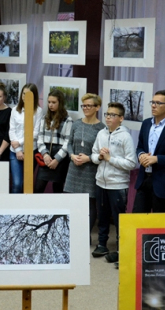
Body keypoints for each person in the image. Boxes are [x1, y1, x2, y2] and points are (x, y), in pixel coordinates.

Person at [90, 102, 138, 265]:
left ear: (121, 118)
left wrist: (111, 159)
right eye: (107, 114)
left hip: (117, 185)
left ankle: (120, 250)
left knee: (118, 219)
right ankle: (102, 244)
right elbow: (93, 155)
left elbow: (131, 163)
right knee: (102, 217)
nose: (108, 117)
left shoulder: (125, 136)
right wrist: (101, 157)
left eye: (112, 115)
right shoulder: (101, 134)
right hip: (101, 182)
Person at [65, 93, 106, 237]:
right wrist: (72, 155)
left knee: (89, 204)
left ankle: (84, 236)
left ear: (97, 107)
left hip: (90, 170)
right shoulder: (76, 124)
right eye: (84, 105)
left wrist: (88, 158)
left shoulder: (101, 128)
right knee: (70, 202)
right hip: (73, 169)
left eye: (89, 105)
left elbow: (102, 152)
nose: (86, 108)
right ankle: (70, 235)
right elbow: (69, 143)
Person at [35, 90, 73, 193]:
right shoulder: (45, 118)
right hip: (46, 154)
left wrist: (57, 159)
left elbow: (67, 142)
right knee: (38, 188)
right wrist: (45, 154)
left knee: (57, 189)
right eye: (49, 102)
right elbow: (40, 138)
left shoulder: (67, 120)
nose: (50, 105)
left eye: (53, 102)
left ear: (60, 103)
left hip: (60, 157)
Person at [8, 83, 44, 193]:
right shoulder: (14, 110)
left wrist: (19, 142)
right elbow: (11, 129)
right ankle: (13, 209)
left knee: (26, 183)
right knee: (17, 184)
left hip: (30, 150)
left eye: (28, 94)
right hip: (14, 151)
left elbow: (35, 132)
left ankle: (24, 209)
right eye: (23, 94)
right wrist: (18, 149)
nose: (25, 97)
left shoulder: (38, 111)